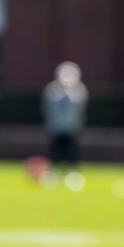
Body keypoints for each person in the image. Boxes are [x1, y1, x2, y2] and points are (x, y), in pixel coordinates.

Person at [41, 61, 87, 189]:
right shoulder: (52, 90)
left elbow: (78, 107)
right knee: (55, 151)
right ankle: (53, 173)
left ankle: (73, 174)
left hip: (71, 127)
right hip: (56, 127)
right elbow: (48, 107)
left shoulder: (79, 91)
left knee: (72, 151)